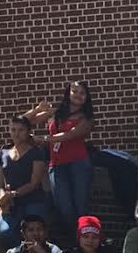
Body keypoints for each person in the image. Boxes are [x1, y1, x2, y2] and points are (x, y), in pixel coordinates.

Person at [37, 81, 95, 228]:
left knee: (81, 206)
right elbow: (29, 121)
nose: (78, 95)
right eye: (75, 91)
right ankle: (73, 236)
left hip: (79, 164)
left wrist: (45, 139)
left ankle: (83, 237)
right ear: (68, 93)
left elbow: (70, 135)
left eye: (82, 93)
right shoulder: (56, 112)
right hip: (57, 165)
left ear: (86, 97)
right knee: (63, 206)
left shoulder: (86, 118)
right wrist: (37, 110)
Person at [0, 115, 49, 246]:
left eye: (21, 130)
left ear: (28, 132)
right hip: (12, 204)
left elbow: (34, 183)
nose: (17, 134)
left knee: (34, 234)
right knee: (5, 233)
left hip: (33, 201)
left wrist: (13, 194)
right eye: (13, 130)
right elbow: (1, 183)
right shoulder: (3, 151)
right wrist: (3, 197)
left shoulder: (37, 152)